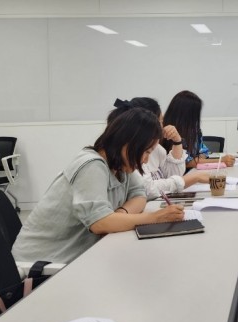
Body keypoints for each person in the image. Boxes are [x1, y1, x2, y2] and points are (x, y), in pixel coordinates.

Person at [12, 108, 184, 264]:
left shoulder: (121, 165)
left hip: (71, 259)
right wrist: (154, 218)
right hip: (39, 264)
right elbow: (100, 223)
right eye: (146, 152)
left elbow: (139, 194)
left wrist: (119, 216)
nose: (146, 160)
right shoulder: (92, 165)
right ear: (128, 143)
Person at [109, 97, 213, 200]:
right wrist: (194, 177)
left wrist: (177, 141)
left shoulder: (157, 148)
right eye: (160, 121)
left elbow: (174, 174)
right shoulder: (130, 154)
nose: (163, 126)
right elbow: (147, 190)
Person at [162, 91, 234, 170]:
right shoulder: (170, 132)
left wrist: (198, 159)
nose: (196, 118)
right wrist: (221, 160)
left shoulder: (194, 130)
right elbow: (186, 162)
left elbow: (204, 152)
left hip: (194, 171)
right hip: (179, 174)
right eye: (194, 114)